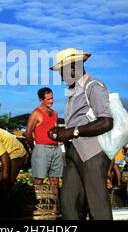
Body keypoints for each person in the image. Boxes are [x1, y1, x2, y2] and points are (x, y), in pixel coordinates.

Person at [48, 48, 114, 220]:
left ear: (74, 67)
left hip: (91, 153)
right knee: (68, 204)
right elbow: (77, 121)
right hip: (73, 153)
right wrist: (62, 130)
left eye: (62, 71)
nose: (61, 77)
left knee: (97, 206)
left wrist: (73, 131)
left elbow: (106, 121)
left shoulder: (93, 86)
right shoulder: (73, 90)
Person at [25, 87, 63, 195]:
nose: (51, 101)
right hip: (41, 148)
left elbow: (55, 130)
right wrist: (33, 148)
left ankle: (55, 207)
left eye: (52, 98)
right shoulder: (36, 113)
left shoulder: (54, 113)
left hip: (56, 148)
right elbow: (28, 132)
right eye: (48, 99)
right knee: (39, 180)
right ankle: (38, 208)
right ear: (41, 100)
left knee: (55, 181)